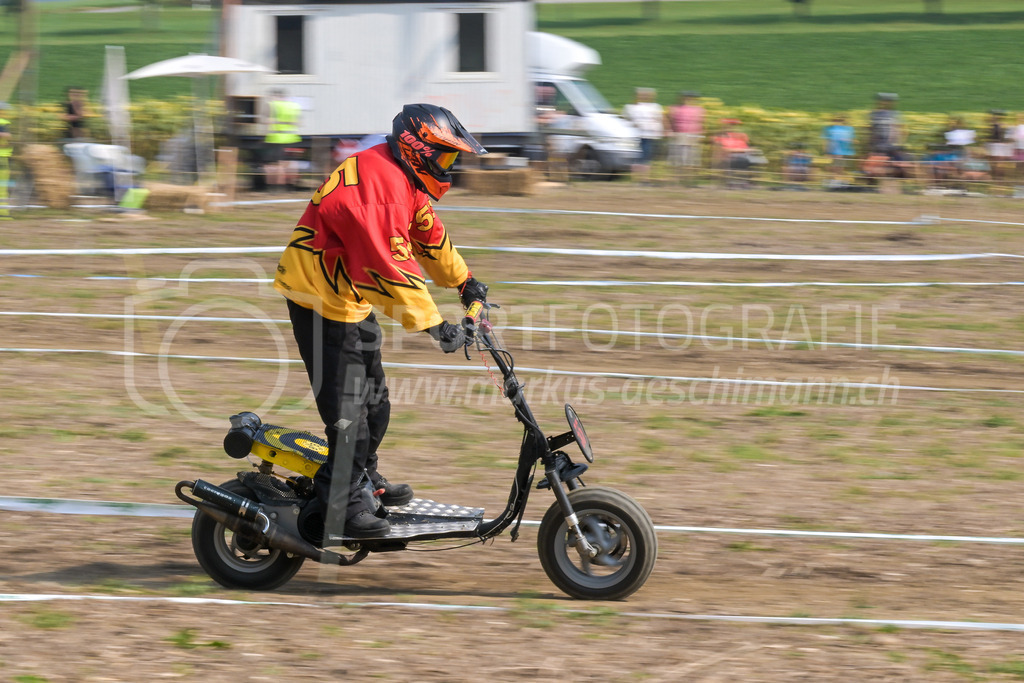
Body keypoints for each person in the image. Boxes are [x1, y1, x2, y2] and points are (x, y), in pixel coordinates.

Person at [273, 103, 489, 538]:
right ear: (416, 148)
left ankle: (362, 479)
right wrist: (434, 326)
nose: (448, 167)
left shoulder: (399, 177)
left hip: (346, 296)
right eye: (445, 157)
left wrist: (463, 280)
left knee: (377, 403)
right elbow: (388, 265)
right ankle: (344, 506)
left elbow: (427, 233)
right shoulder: (382, 185)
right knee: (349, 412)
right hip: (318, 298)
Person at [623, 87, 665, 183]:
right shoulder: (631, 107)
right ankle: (638, 178)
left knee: (646, 156)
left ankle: (644, 178)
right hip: (637, 135)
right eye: (642, 95)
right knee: (639, 156)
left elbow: (660, 118)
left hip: (649, 135)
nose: (644, 97)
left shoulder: (654, 107)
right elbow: (626, 120)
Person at [263, 88, 302, 190]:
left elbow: (268, 121)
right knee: (289, 163)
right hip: (291, 137)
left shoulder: (273, 105)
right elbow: (298, 123)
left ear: (276, 95)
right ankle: (290, 185)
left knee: (275, 164)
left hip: (276, 138)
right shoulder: (294, 106)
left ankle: (277, 187)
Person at [667, 90, 704, 182]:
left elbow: (701, 122)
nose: (688, 99)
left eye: (690, 98)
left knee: (691, 157)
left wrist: (701, 134)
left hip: (693, 135)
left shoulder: (699, 109)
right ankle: (676, 178)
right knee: (678, 156)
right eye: (686, 97)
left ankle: (688, 179)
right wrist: (670, 131)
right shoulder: (675, 108)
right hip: (680, 134)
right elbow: (669, 120)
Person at [821, 114, 855, 185]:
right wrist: (826, 150)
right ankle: (834, 180)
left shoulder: (847, 129)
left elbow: (851, 140)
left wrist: (849, 140)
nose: (838, 122)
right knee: (833, 165)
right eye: (836, 120)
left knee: (839, 165)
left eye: (840, 121)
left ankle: (837, 180)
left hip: (842, 150)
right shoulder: (829, 128)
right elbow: (826, 140)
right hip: (832, 149)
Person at [0, 102, 11, 219]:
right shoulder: (2, 122)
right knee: (2, 188)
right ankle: (2, 214)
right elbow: (5, 136)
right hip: (1, 158)